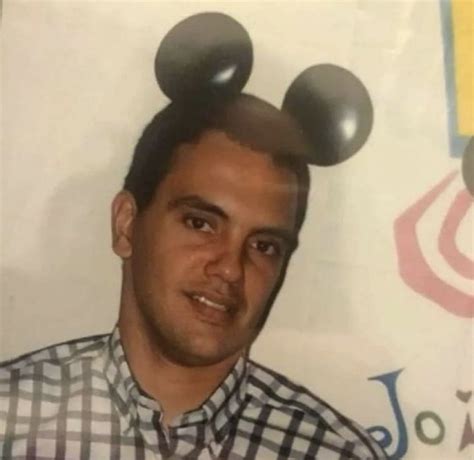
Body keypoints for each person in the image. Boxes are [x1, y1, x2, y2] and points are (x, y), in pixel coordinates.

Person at [0, 94, 386, 459]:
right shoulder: (10, 420)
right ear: (126, 225)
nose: (230, 268)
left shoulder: (334, 453)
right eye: (201, 223)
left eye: (264, 245)